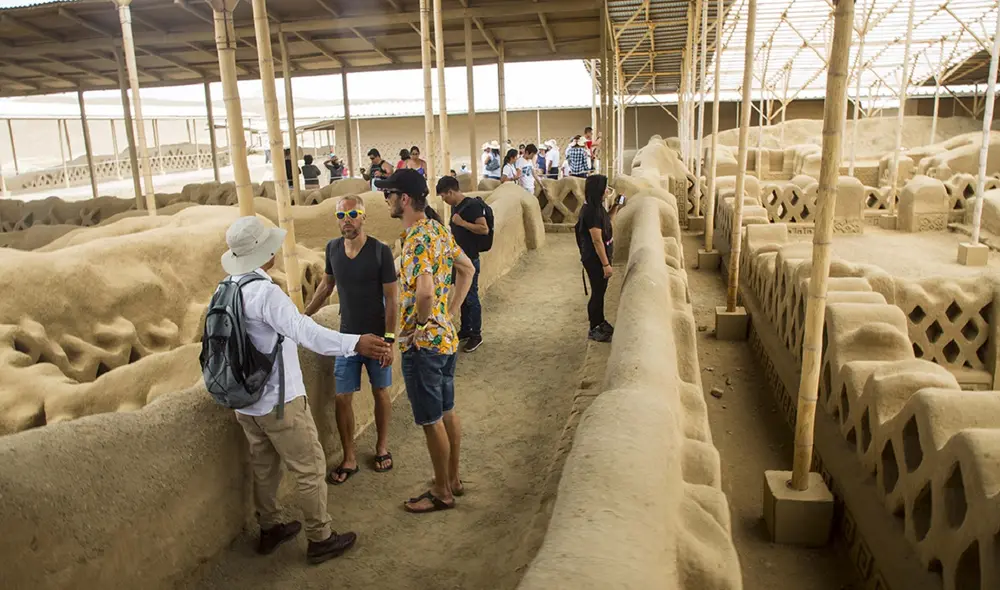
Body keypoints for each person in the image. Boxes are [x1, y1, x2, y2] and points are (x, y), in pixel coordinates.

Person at [218, 215, 391, 563]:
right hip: (279, 400)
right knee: (310, 468)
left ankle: (271, 528)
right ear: (264, 255)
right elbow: (305, 332)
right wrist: (355, 342)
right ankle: (320, 537)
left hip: (244, 402)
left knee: (264, 467)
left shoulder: (225, 288)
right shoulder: (265, 294)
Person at [375, 169, 475, 514]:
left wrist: (420, 325)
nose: (386, 200)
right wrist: (449, 314)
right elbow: (467, 269)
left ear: (404, 199)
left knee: (431, 420)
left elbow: (425, 291)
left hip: (424, 346)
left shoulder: (417, 237)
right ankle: (453, 479)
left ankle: (442, 492)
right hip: (444, 340)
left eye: (389, 194)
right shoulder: (438, 230)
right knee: (447, 411)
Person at [304, 195, 399, 483]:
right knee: (342, 398)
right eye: (342, 215)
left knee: (380, 393)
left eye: (353, 214)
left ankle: (382, 446)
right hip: (346, 338)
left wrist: (390, 339)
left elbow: (392, 298)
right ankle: (349, 456)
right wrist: (303, 316)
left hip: (377, 337)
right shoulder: (332, 249)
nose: (348, 220)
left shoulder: (380, 252)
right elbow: (326, 285)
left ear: (364, 217)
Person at [437, 175, 487, 352]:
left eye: (444, 195)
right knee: (463, 295)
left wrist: (462, 223)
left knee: (471, 296)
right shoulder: (455, 207)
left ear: (451, 191)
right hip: (459, 258)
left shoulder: (472, 206)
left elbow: (483, 228)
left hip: (470, 259)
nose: (444, 199)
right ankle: (466, 330)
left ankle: (476, 334)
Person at [574, 174, 620, 343]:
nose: (607, 191)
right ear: (598, 190)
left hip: (599, 257)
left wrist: (615, 207)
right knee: (597, 292)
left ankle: (600, 321)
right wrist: (605, 264)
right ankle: (594, 327)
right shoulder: (591, 211)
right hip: (595, 259)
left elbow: (606, 222)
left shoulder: (596, 207)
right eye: (605, 188)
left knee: (600, 291)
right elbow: (597, 240)